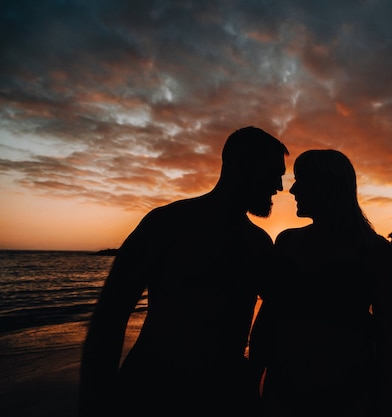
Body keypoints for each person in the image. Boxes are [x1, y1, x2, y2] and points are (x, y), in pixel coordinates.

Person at [78, 126, 289, 417]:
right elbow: (111, 314)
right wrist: (94, 399)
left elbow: (280, 312)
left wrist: (253, 376)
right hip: (153, 389)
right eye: (273, 173)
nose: (278, 186)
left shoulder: (259, 243)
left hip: (225, 395)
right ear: (243, 165)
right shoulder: (167, 224)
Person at [249, 149, 392, 417]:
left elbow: (389, 335)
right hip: (282, 390)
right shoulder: (286, 241)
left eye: (302, 179)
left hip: (348, 394)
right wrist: (252, 379)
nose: (293, 190)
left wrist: (385, 401)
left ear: (329, 184)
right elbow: (268, 317)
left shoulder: (374, 250)